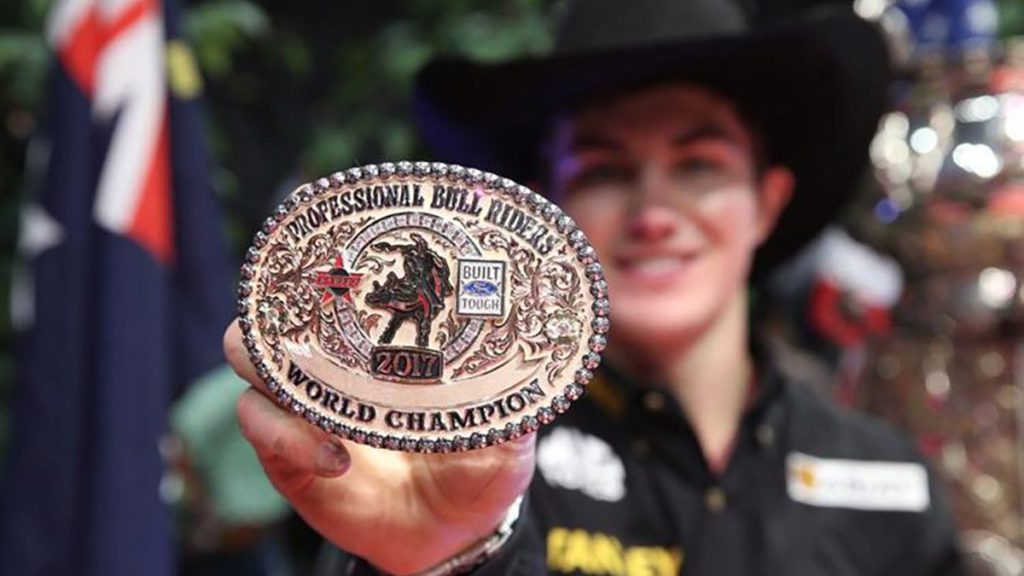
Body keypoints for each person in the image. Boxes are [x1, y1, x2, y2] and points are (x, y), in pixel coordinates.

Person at [223, 1, 965, 574]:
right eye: (604, 170)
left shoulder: (891, 484)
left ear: (766, 201)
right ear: (545, 207)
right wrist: (451, 559)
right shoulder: (454, 459)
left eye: (698, 164)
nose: (653, 214)